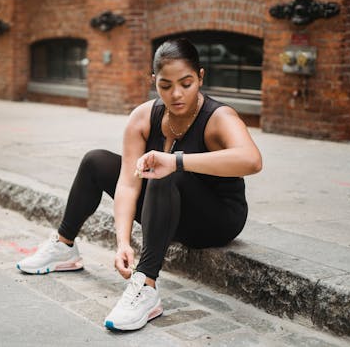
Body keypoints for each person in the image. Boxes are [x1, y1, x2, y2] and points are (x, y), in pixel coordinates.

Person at [16, 38, 262, 331]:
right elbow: (128, 184)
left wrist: (177, 161)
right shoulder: (143, 117)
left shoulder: (219, 117)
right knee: (96, 161)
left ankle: (146, 285)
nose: (176, 94)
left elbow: (252, 160)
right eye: (165, 85)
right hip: (170, 208)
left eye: (186, 83)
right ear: (154, 81)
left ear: (201, 77)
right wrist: (123, 242)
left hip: (217, 218)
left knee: (162, 170)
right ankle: (65, 245)